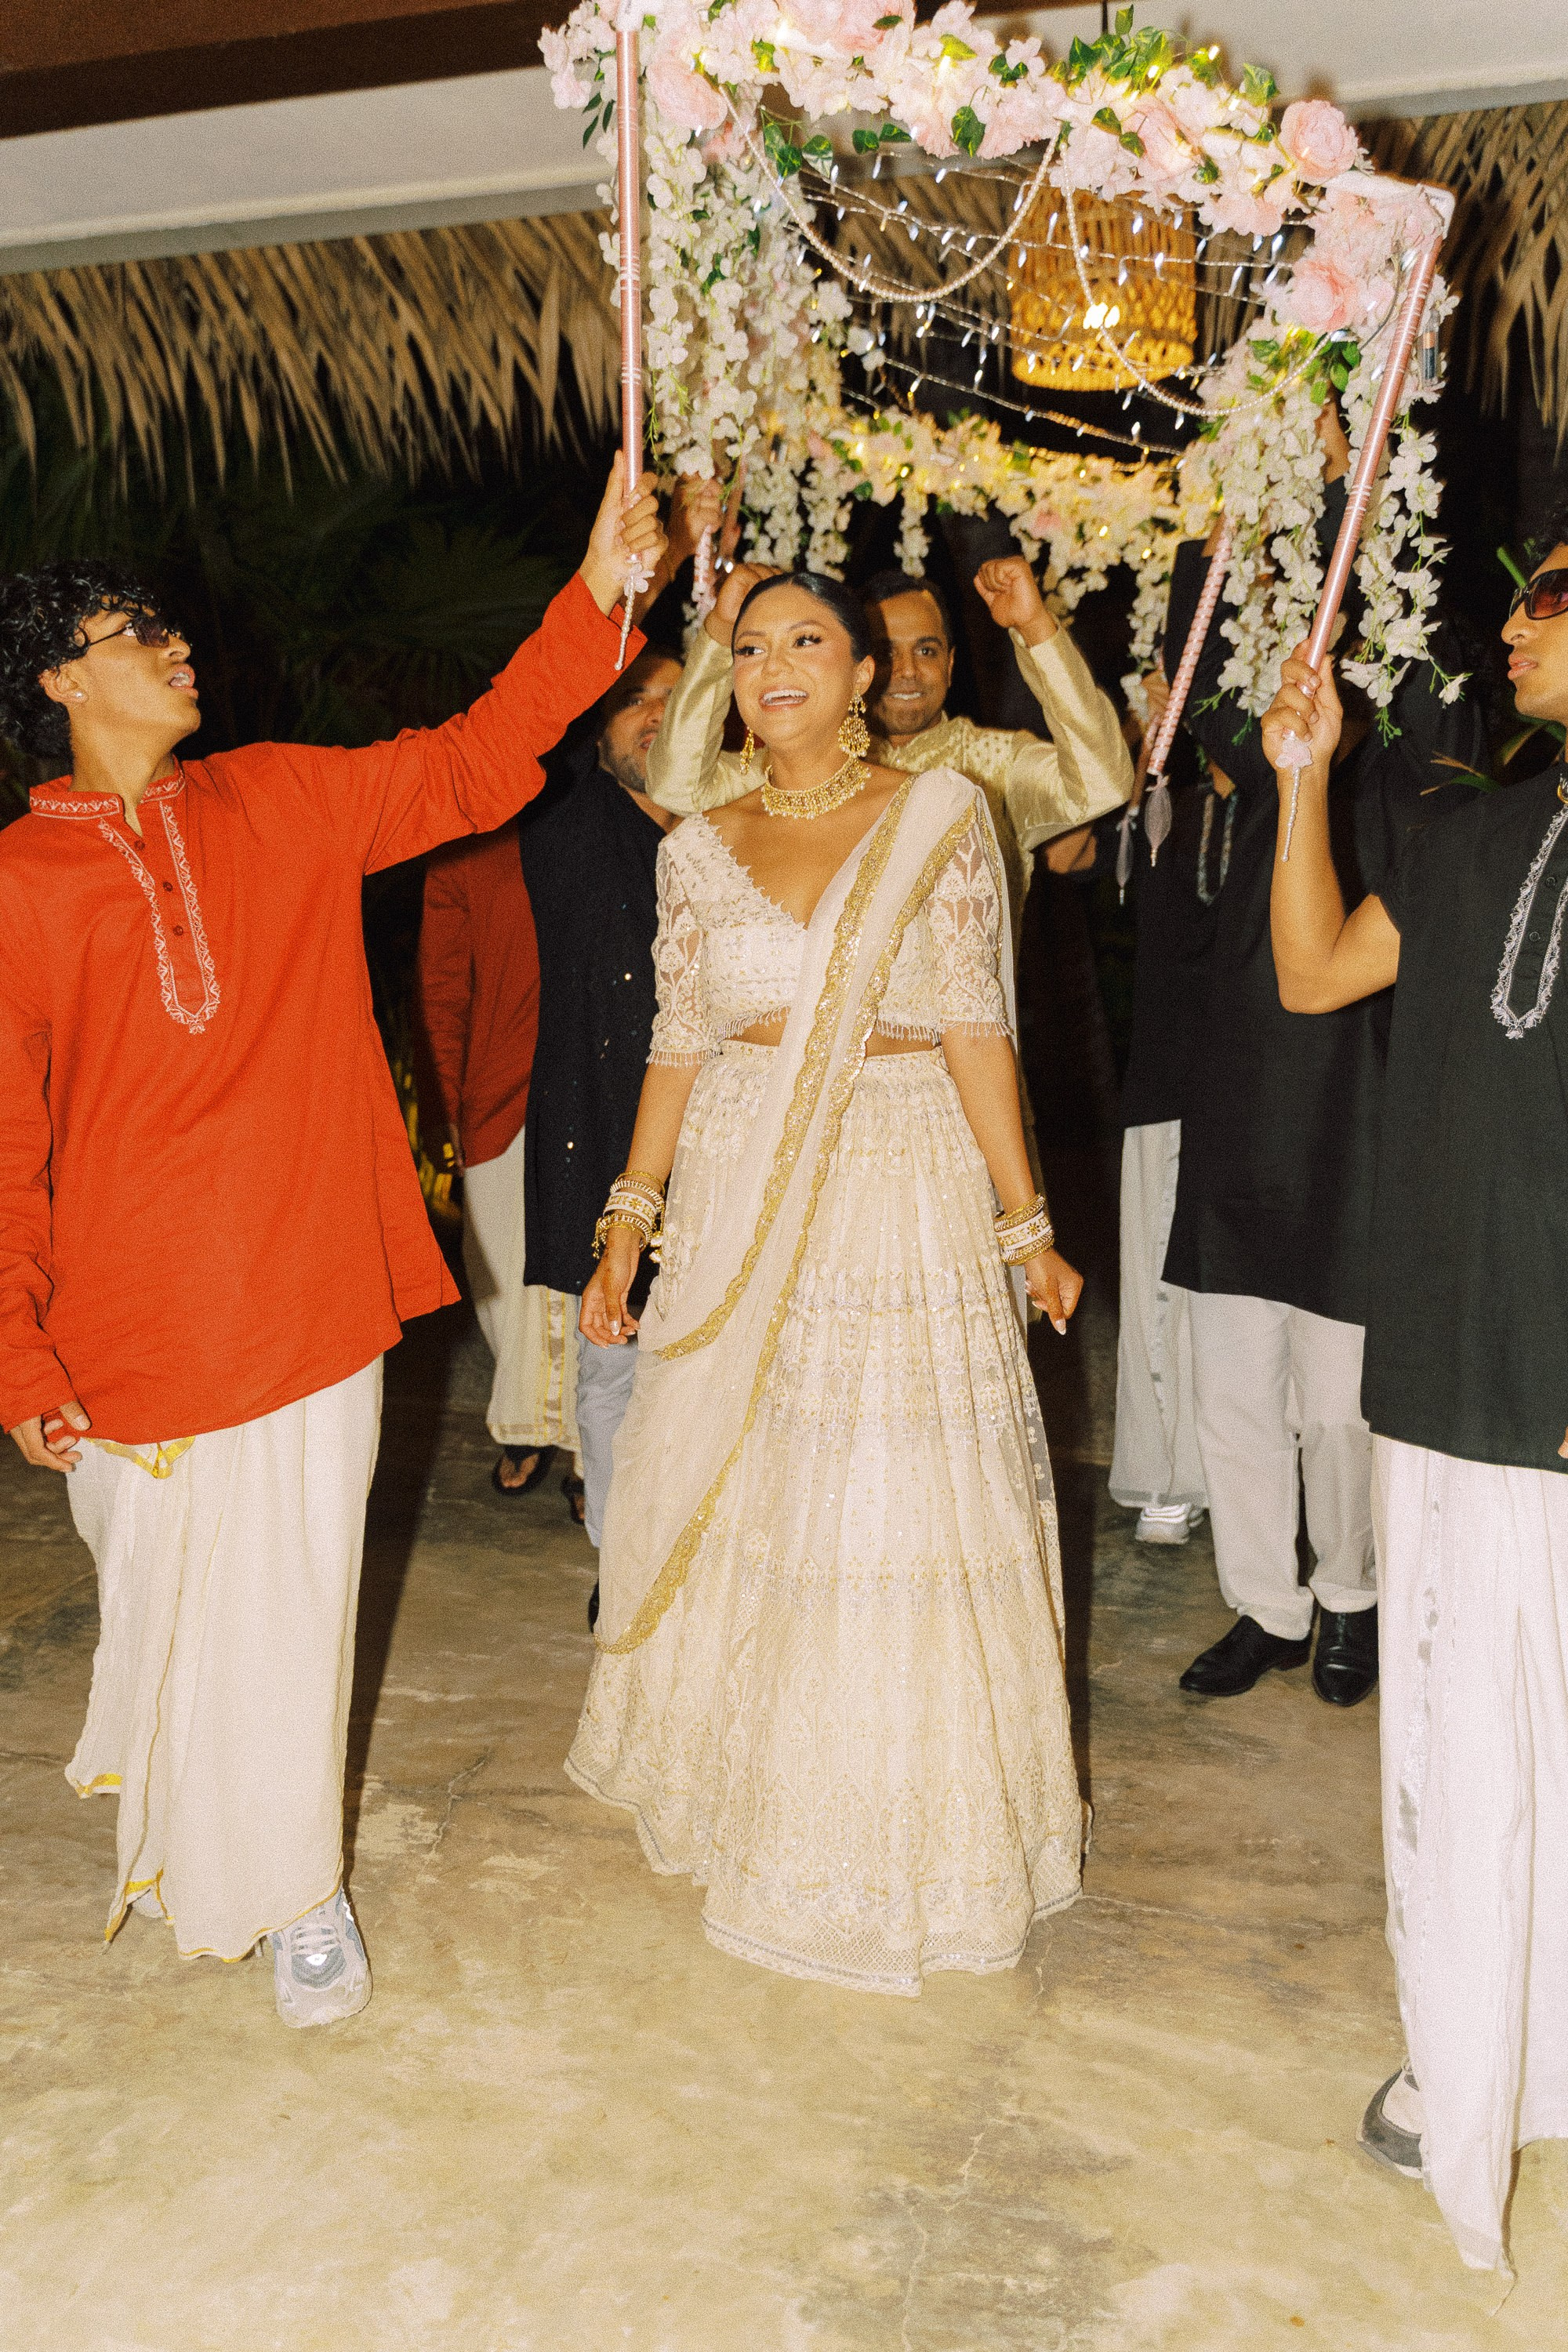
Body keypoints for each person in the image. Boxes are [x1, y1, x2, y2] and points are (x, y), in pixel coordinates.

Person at [0, 460, 663, 2024]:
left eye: (170, 625)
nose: (176, 645)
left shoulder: (284, 798)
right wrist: (19, 1350)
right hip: (128, 1316)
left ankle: (299, 1890)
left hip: (306, 1282)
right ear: (58, 683)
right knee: (175, 1608)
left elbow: (478, 759)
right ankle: (213, 1843)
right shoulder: (18, 884)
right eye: (134, 631)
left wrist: (599, 591)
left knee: (295, 1603)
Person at [565, 571, 1087, 1994]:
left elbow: (977, 1028)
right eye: (750, 646)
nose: (774, 664)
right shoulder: (695, 845)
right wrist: (629, 1222)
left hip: (899, 1180)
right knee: (756, 1483)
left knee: (888, 1489)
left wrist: (1026, 1225)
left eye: (808, 641)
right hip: (737, 1178)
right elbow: (678, 1041)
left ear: (865, 675)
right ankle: (742, 1795)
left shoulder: (940, 816)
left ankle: (897, 1837)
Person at [1262, 526, 1568, 2273]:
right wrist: (1305, 783)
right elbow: (1313, 973)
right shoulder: (1466, 835)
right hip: (1446, 1349)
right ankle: (1471, 2054)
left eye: (1552, 599)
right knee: (1462, 1732)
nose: (1514, 625)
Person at [1161, 430, 1483, 1708]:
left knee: (1342, 1397)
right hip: (1244, 1080)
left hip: (1365, 1086)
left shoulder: (1415, 748)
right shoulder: (1270, 733)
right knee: (1233, 1380)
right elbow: (1198, 685)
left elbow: (1437, 692)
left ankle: (1351, 1595)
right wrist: (1220, 523)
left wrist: (1360, 488)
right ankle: (1266, 1604)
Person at [641, 552, 1133, 936]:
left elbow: (1103, 782)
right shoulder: (792, 772)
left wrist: (1035, 628)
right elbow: (676, 785)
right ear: (858, 666)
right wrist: (721, 632)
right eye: (885, 651)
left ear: (950, 665)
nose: (906, 671)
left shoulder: (995, 766)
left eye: (926, 650)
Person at [518, 643, 683, 1570]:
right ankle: (621, 1573)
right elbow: (533, 733)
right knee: (615, 1364)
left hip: (723, 1136)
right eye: (633, 699)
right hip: (602, 1133)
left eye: (676, 697)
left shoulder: (738, 828)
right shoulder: (566, 816)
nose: (655, 715)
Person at [413, 826, 584, 1507]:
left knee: (594, 1266)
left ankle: (588, 1444)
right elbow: (441, 985)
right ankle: (528, 1413)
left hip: (599, 1081)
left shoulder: (614, 817)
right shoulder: (465, 845)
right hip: (499, 1087)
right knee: (498, 1268)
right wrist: (441, 1101)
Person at [1106, 675, 1220, 1544]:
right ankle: (1168, 1472)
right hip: (1166, 1072)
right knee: (1157, 1272)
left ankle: (1233, 1471)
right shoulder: (1159, 804)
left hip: (1261, 1068)